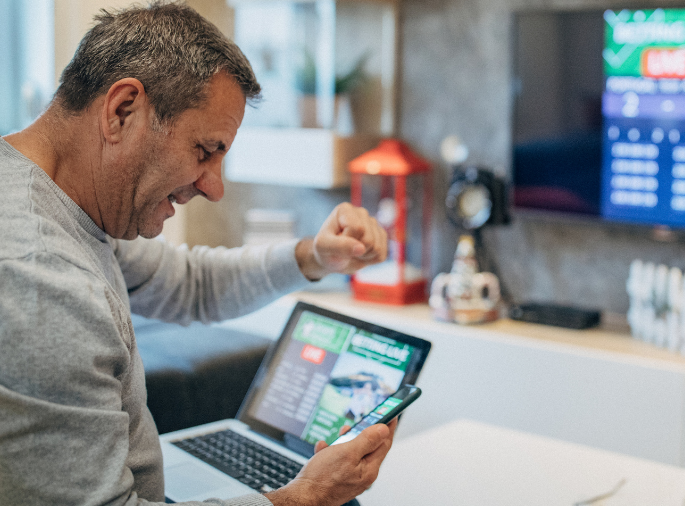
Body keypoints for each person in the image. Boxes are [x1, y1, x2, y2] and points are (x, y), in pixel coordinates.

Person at [0, 3, 396, 506]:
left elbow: (191, 285)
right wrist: (305, 497)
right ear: (123, 110)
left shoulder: (59, 201)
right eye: (204, 151)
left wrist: (313, 256)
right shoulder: (40, 279)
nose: (214, 188)